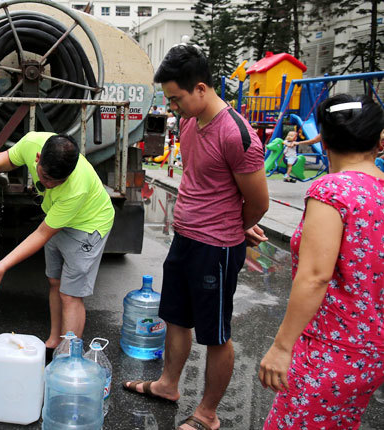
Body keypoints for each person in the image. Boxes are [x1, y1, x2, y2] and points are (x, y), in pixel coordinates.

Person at [122, 44, 269, 430]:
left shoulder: (237, 134)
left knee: (216, 334)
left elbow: (259, 201)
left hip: (216, 249)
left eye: (176, 98)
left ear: (201, 88)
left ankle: (207, 414)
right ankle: (169, 385)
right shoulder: (190, 121)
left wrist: (237, 226)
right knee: (175, 318)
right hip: (185, 239)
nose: (173, 107)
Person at [259, 95, 384, 429]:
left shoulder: (332, 191)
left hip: (328, 349)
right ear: (379, 140)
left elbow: (315, 276)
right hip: (371, 352)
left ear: (324, 140)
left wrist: (282, 347)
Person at [0, 132, 115, 360]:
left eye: (58, 182)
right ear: (38, 157)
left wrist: (2, 266)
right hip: (56, 217)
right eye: (46, 177)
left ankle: (68, 359)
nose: (49, 185)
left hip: (88, 225)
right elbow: (11, 157)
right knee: (54, 282)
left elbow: (41, 234)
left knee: (71, 294)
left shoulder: (76, 188)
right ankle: (54, 341)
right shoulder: (31, 143)